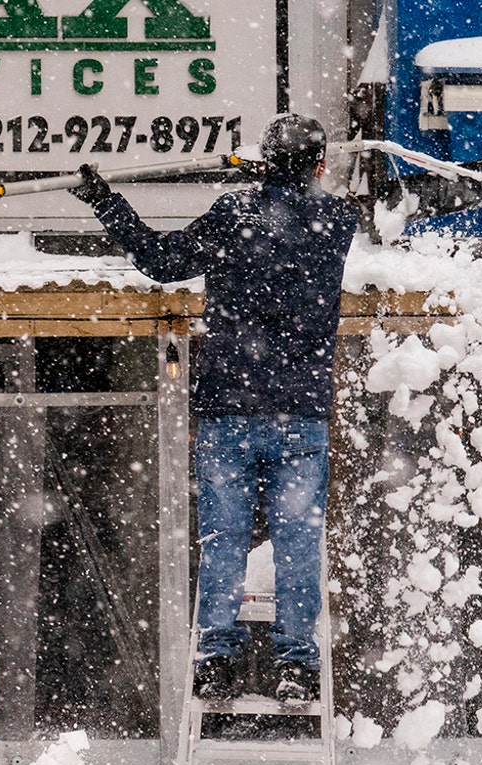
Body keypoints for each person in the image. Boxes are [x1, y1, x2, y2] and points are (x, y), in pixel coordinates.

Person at [71, 113, 365, 704]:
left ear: (263, 160)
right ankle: (298, 664)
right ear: (319, 165)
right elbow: (326, 200)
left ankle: (215, 660)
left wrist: (106, 201)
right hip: (299, 416)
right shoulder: (338, 219)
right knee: (299, 545)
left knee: (224, 539)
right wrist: (281, 179)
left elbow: (161, 260)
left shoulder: (235, 215)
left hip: (227, 408)